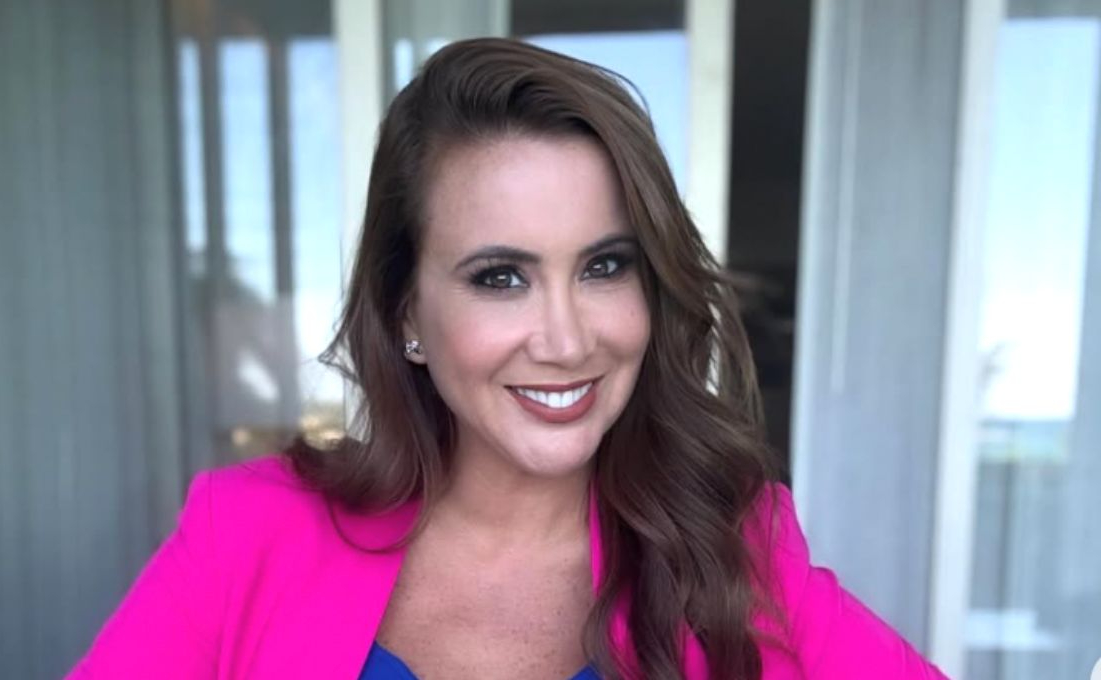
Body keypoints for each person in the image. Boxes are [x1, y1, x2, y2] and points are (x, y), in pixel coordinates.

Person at [68, 38, 949, 680]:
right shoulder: (244, 536)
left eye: (604, 267)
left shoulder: (733, 548)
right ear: (406, 311)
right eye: (500, 278)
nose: (566, 340)